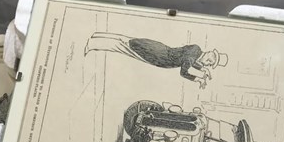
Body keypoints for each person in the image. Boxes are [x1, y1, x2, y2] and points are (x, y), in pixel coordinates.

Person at [85, 33, 228, 89]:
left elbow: (191, 60)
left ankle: (97, 35)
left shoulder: (196, 49)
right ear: (209, 58)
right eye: (210, 63)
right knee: (124, 47)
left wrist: (203, 69)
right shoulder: (192, 58)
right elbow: (184, 72)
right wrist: (198, 79)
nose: (209, 64)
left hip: (159, 48)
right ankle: (92, 44)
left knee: (128, 40)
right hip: (158, 57)